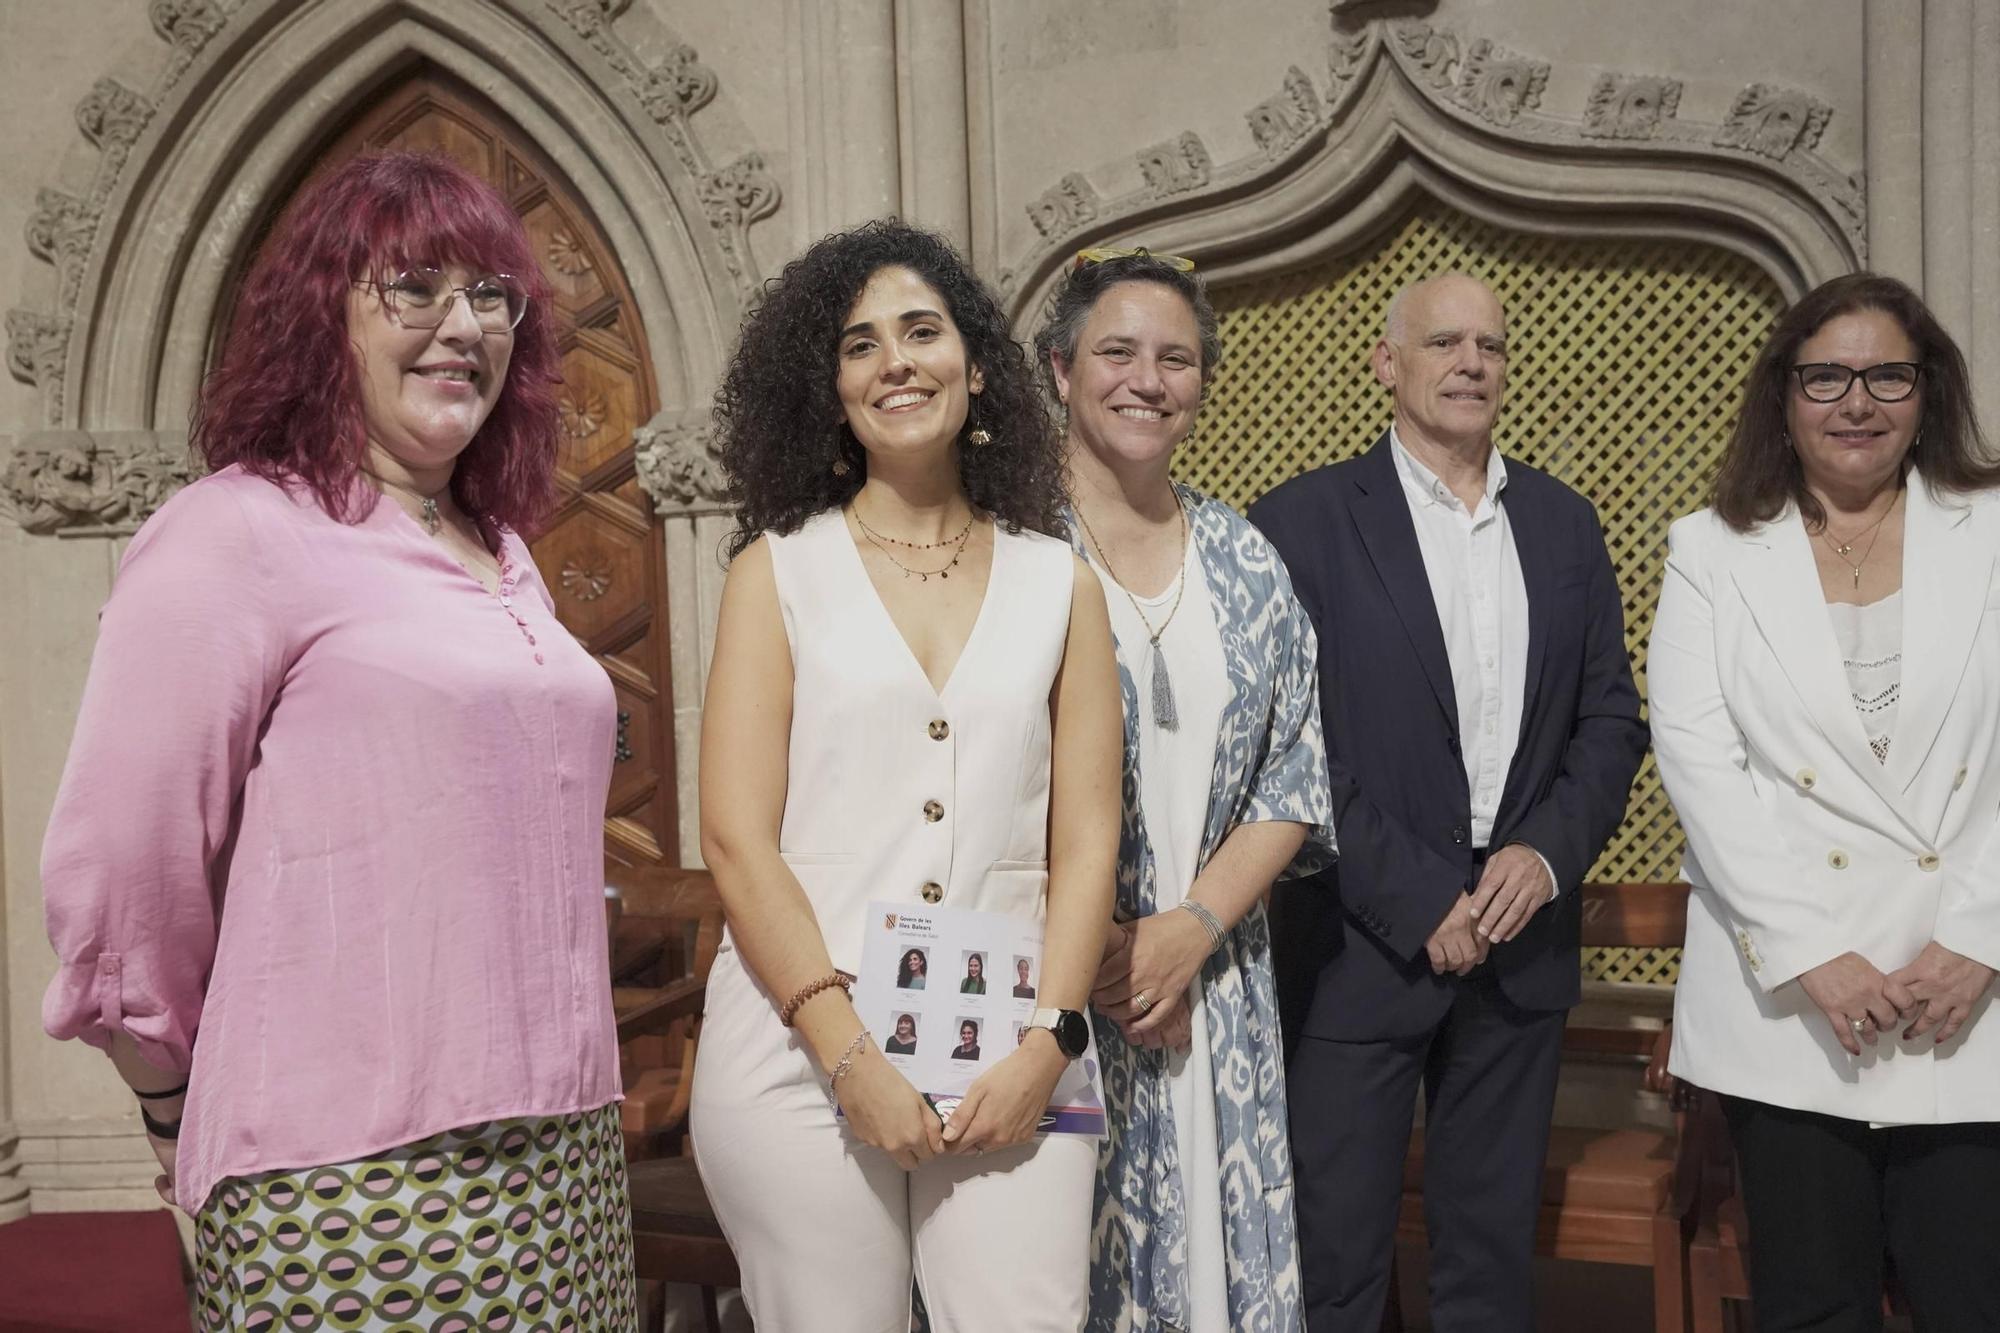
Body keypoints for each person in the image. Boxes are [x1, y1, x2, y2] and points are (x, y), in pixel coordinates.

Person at [38, 152, 635, 1328]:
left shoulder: (504, 554)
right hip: (344, 1171)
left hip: (563, 1153)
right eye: (412, 286)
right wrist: (168, 1100)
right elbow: (123, 863)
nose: (459, 324)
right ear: (325, 315)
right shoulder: (233, 532)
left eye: (488, 295)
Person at [690, 219, 1120, 1330]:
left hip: (1020, 1051)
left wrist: (1051, 1040)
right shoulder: (771, 572)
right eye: (858, 344)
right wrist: (848, 1057)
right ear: (827, 389)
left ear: (976, 367)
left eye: (921, 332)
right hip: (796, 1055)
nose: (895, 362)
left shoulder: (1059, 581)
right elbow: (736, 838)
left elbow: (1086, 838)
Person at [1250, 272, 1645, 1333]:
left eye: (1489, 346)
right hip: (1355, 942)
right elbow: (1282, 743)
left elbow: (1609, 721)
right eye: (1441, 343)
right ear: (1387, 364)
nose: (1470, 362)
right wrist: (1422, 893)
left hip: (1520, 941)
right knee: (1329, 1263)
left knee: (1486, 1268)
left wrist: (1542, 855)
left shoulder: (1563, 524)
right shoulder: (1300, 521)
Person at [1649, 272, 2000, 1332]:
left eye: (1886, 374)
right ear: (1783, 398)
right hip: (1790, 999)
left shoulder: (1990, 529)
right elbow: (1698, 763)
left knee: (1969, 1298)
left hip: (1965, 989)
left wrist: (1980, 933)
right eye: (1825, 378)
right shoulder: (1708, 549)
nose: (1856, 401)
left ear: (1925, 392)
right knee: (1810, 1304)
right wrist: (1812, 954)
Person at [1035, 248, 1334, 1332]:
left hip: (1210, 990)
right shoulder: (1005, 546)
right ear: (1060, 369)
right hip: (1050, 994)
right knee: (1045, 1273)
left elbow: (1292, 774)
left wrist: (1190, 928)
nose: (1146, 379)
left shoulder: (1245, 560)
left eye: (1176, 358)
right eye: (1115, 351)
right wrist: (1101, 947)